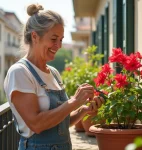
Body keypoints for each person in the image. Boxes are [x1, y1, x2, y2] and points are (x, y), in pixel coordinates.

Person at [4, 4, 104, 150]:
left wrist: (83, 110)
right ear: (35, 36)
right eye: (54, 39)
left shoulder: (54, 73)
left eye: (61, 40)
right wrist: (74, 101)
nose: (59, 45)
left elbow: (61, 123)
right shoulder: (19, 72)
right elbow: (36, 124)